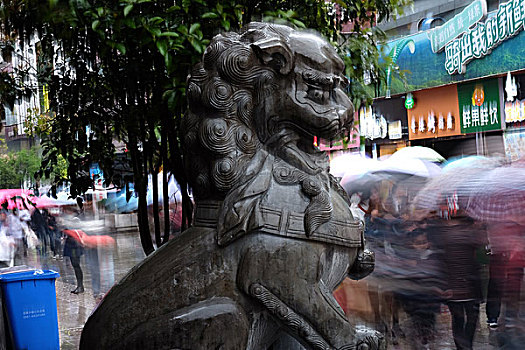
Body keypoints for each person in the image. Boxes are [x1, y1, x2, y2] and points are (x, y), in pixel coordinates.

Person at [62, 227, 85, 294]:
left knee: (76, 265)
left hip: (75, 244)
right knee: (75, 265)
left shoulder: (73, 220)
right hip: (71, 243)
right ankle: (79, 286)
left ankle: (80, 286)